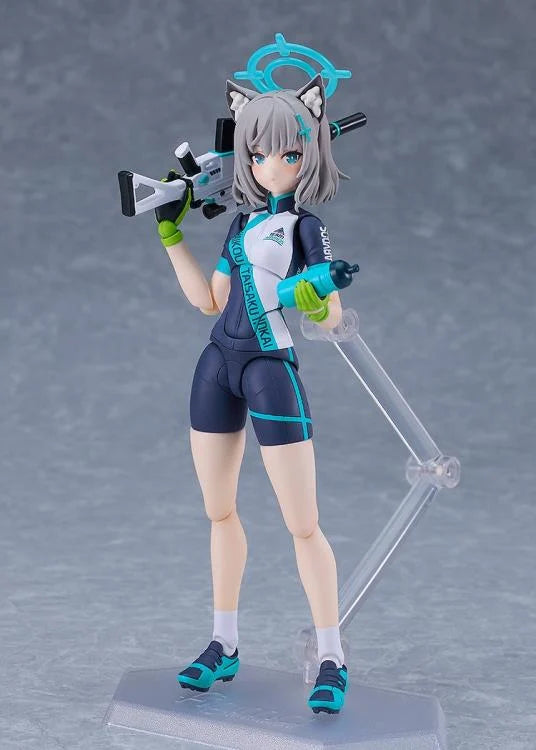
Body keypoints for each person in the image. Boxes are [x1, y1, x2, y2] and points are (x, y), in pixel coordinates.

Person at [156, 74, 349, 714]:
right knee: (218, 512)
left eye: (288, 152)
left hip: (270, 367)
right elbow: (209, 300)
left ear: (309, 153)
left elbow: (330, 315)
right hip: (217, 362)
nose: (270, 165)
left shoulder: (306, 227)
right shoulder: (240, 224)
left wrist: (313, 294)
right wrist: (171, 237)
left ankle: (332, 656)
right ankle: (224, 642)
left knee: (303, 523)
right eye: (257, 152)